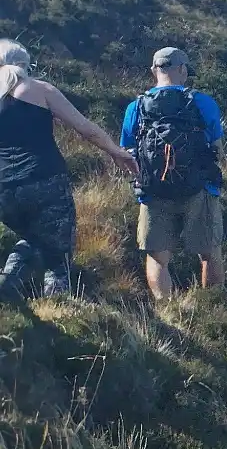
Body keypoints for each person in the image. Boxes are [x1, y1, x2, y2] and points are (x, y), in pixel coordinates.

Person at [0, 40, 137, 299]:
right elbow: (86, 129)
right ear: (24, 66)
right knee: (57, 255)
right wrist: (117, 152)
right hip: (46, 180)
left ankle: (9, 278)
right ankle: (59, 307)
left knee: (32, 237)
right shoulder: (40, 89)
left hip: (4, 188)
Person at [121, 47, 226, 299]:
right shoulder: (202, 102)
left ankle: (167, 310)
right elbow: (217, 149)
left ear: (153, 71)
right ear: (182, 70)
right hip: (200, 188)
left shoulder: (136, 106)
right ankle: (210, 307)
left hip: (153, 190)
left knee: (158, 255)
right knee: (210, 252)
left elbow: (127, 151)